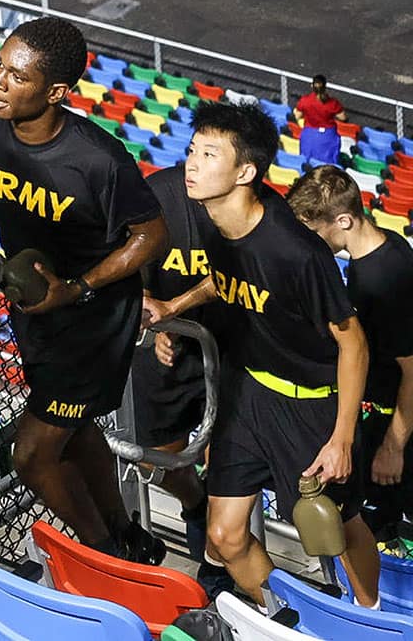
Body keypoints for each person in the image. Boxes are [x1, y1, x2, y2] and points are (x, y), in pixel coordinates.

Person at [0, 16, 169, 561]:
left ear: (55, 92)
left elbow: (151, 234)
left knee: (32, 454)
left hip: (92, 322)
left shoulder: (98, 159)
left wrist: (78, 287)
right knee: (74, 431)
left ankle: (106, 555)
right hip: (36, 310)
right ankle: (128, 533)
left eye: (17, 76)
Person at [143, 102, 379, 608]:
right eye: (192, 151)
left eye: (209, 155)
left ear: (245, 172)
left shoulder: (296, 252)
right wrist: (173, 307)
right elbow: (224, 279)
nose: (192, 164)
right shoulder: (215, 222)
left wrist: (341, 439)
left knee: (338, 528)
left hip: (310, 404)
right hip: (249, 392)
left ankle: (371, 620)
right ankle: (290, 619)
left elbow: (353, 342)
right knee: (224, 536)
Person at [288, 165, 413, 545]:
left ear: (343, 220)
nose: (310, 244)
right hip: (380, 418)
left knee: (385, 535)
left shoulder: (384, 277)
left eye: (314, 233)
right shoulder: (381, 250)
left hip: (392, 428)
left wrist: (393, 447)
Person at [130, 162, 234, 596]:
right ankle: (195, 502)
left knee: (229, 465)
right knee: (156, 459)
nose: (197, 164)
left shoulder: (246, 202)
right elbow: (131, 268)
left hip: (228, 346)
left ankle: (219, 561)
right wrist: (154, 318)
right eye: (195, 152)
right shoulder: (155, 194)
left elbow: (236, 273)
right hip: (166, 351)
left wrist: (174, 309)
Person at [293, 74, 345, 165]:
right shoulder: (333, 103)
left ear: (312, 86)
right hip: (328, 137)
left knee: (307, 162)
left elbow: (297, 116)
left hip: (310, 136)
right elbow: (343, 118)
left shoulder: (305, 101)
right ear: (325, 86)